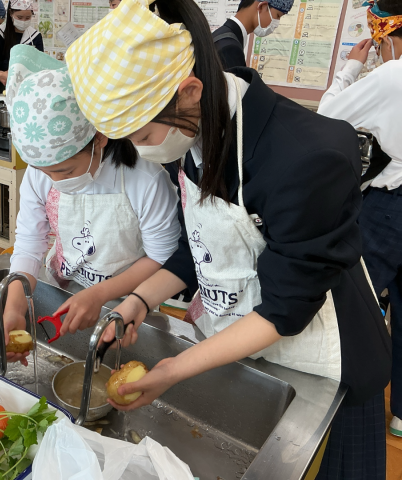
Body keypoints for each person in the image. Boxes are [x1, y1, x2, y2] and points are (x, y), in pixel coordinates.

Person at [65, 0, 391, 477]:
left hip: (322, 377)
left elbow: (285, 311)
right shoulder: (195, 130)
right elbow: (198, 247)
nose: (141, 150)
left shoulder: (303, 160)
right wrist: (138, 301)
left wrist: (172, 370)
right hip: (245, 345)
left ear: (190, 90)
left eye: (143, 136)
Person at [0, 45, 180, 365]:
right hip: (64, 288)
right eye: (44, 172)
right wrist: (14, 305)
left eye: (66, 171)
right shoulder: (40, 173)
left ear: (99, 139)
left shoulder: (145, 180)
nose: (54, 181)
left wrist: (100, 294)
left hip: (129, 300)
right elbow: (30, 241)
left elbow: (162, 256)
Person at [318, 0, 402, 439]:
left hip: (391, 210)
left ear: (386, 37)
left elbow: (326, 120)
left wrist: (350, 69)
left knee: (355, 304)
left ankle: (345, 403)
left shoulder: (392, 75)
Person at [212, 0, 293, 69]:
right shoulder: (230, 48)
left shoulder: (220, 36)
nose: (277, 24)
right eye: (278, 16)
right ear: (261, 6)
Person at [0, 0, 43, 71]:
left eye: (28, 18)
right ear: (11, 13)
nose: (23, 21)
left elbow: (40, 63)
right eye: (20, 17)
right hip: (4, 76)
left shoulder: (35, 36)